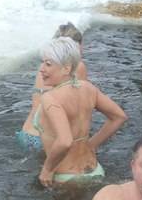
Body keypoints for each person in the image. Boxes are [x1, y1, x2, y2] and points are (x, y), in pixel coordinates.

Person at [34, 37, 127, 186]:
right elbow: (119, 117)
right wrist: (92, 145)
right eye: (43, 62)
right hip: (95, 170)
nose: (42, 69)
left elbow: (65, 141)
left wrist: (47, 169)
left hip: (65, 176)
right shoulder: (88, 87)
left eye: (48, 64)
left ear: (66, 68)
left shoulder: (50, 98)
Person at [16, 22, 88, 151]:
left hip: (26, 134)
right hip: (47, 139)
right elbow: (81, 109)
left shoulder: (45, 66)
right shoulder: (77, 66)